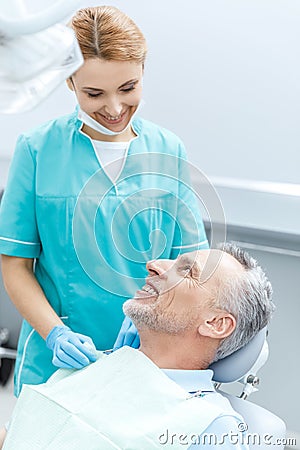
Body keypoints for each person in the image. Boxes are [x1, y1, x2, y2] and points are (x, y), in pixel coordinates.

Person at [0, 6, 208, 397]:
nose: (113, 108)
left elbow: (191, 261)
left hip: (150, 356)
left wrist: (155, 312)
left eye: (127, 88)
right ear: (68, 82)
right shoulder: (37, 149)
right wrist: (54, 333)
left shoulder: (168, 150)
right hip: (54, 361)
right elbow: (14, 264)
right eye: (94, 93)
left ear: (143, 71)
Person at [0, 244, 275, 449]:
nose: (154, 264)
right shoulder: (91, 367)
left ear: (216, 323)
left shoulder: (210, 426)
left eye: (187, 271)